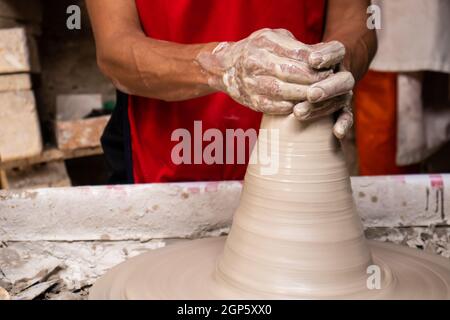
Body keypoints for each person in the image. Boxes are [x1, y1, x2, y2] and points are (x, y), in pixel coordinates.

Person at [86, 0, 377, 184]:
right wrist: (222, 66)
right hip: (169, 155)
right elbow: (115, 48)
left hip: (297, 152)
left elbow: (355, 20)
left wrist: (337, 64)